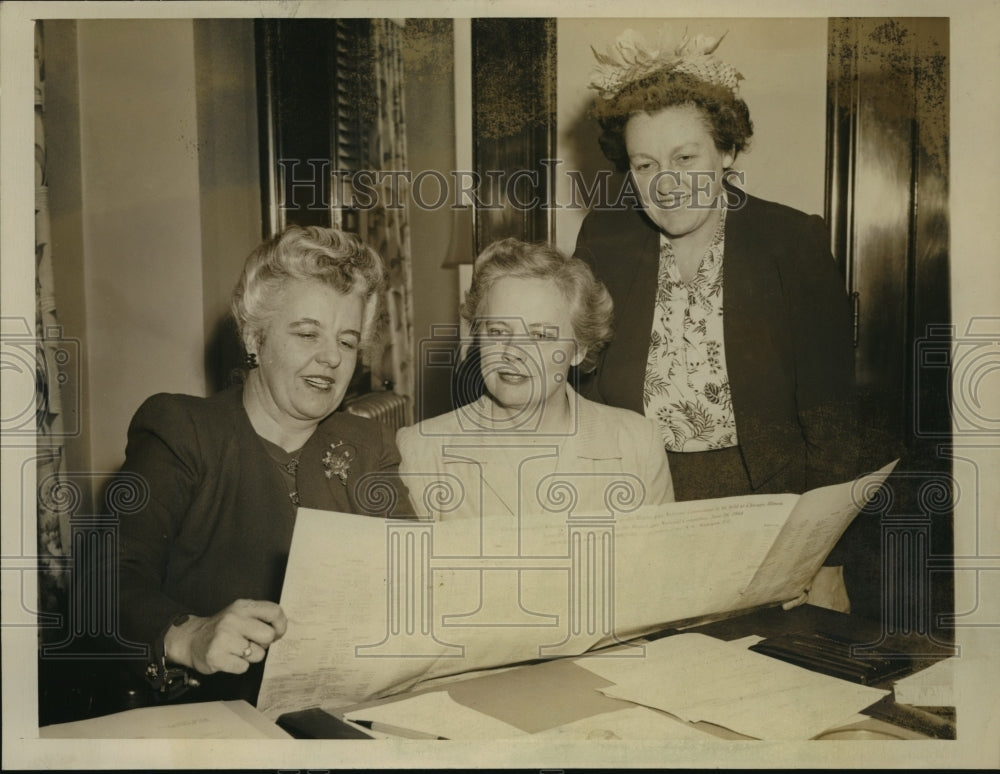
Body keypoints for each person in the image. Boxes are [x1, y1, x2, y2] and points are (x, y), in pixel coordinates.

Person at [575, 30, 858, 609]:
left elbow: (832, 419)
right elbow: (581, 387)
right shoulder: (604, 239)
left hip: (767, 515)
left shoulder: (791, 241)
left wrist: (826, 561)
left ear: (725, 152)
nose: (666, 184)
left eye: (686, 158)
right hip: (638, 509)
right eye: (645, 164)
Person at [115, 225, 406, 704]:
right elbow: (109, 578)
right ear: (255, 337)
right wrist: (189, 635)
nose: (331, 357)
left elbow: (412, 576)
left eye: (347, 341)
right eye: (308, 333)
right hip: (206, 713)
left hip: (343, 706)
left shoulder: (367, 443)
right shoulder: (183, 430)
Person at [397, 238, 674, 521]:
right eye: (498, 332)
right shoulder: (422, 452)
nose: (512, 352)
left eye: (540, 335)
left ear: (578, 349)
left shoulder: (637, 446)